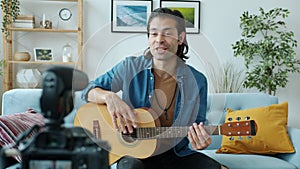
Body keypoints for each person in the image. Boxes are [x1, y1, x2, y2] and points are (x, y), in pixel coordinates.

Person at [81, 7, 228, 169]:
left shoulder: (197, 81)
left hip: (176, 155)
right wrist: (109, 97)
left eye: (167, 33)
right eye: (154, 33)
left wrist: (201, 141)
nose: (159, 39)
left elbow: (198, 126)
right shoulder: (129, 67)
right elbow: (87, 90)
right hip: (133, 155)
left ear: (181, 38)